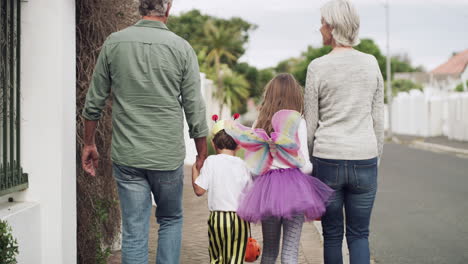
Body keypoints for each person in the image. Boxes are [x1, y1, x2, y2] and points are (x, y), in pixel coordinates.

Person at [81, 0, 209, 263]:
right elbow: (195, 107)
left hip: (128, 157)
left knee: (134, 229)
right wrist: (202, 154)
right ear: (168, 8)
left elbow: (94, 101)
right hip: (167, 156)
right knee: (171, 219)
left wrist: (88, 143)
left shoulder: (114, 43)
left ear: (140, 7)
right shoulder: (182, 48)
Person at [304, 1, 384, 264]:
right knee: (360, 234)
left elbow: (311, 124)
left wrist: (312, 164)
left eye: (323, 23)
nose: (319, 29)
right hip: (365, 158)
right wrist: (375, 159)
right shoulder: (371, 63)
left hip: (328, 158)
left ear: (333, 27)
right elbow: (377, 120)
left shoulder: (317, 67)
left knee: (332, 233)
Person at [226, 73, 334, 264]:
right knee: (290, 250)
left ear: (269, 95)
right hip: (295, 190)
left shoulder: (260, 121)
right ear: (295, 96)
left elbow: (254, 167)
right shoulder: (298, 123)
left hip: (266, 190)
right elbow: (305, 165)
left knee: (269, 250)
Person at [192, 117, 252, 264]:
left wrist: (195, 169)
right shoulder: (244, 165)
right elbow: (251, 194)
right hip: (239, 219)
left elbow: (199, 190)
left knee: (216, 258)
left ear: (213, 144)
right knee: (236, 259)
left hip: (217, 218)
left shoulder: (211, 162)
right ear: (238, 146)